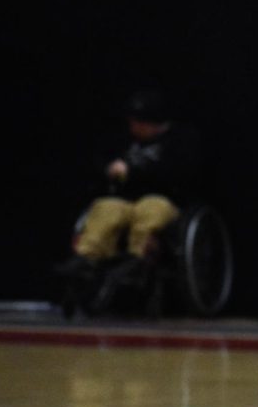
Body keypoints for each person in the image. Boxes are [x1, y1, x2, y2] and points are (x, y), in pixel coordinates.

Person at [57, 90, 201, 289]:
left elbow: (180, 173)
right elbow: (101, 163)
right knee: (106, 209)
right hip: (125, 199)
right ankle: (87, 258)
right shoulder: (126, 141)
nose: (133, 126)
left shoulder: (180, 140)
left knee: (149, 212)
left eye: (138, 122)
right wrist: (109, 169)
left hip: (162, 198)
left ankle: (137, 261)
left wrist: (132, 171)